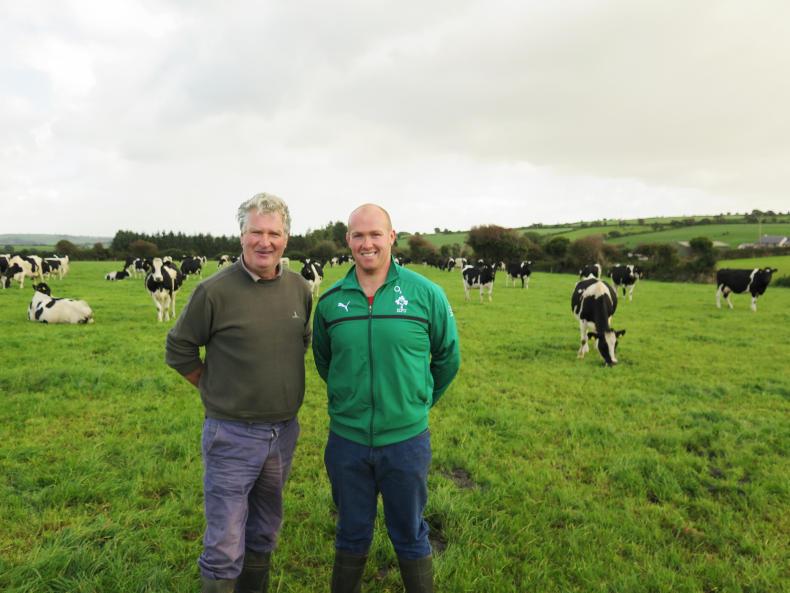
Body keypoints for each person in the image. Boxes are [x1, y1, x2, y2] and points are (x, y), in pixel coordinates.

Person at [165, 193, 312, 593]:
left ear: (286, 238)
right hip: (231, 434)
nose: (265, 242)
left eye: (274, 233)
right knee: (225, 544)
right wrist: (213, 386)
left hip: (283, 433)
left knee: (264, 530)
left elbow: (300, 342)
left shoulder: (299, 288)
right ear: (241, 235)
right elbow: (178, 349)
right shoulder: (213, 291)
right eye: (256, 232)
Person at [312, 204, 460, 593]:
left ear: (391, 237)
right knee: (350, 532)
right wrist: (352, 401)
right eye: (359, 235)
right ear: (348, 241)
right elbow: (326, 363)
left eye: (376, 234)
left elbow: (448, 358)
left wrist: (416, 403)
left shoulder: (425, 294)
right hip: (347, 442)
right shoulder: (330, 302)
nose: (368, 243)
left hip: (406, 442)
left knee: (409, 532)